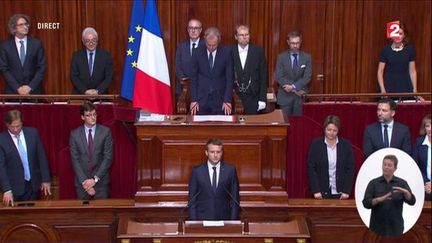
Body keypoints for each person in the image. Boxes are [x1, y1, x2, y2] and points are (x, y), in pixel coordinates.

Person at [0, 110, 51, 206]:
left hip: (33, 185)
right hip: (13, 188)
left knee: (32, 216)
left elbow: (41, 157)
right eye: (12, 127)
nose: (15, 129)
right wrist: (6, 189)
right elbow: (1, 167)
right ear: (6, 124)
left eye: (18, 126)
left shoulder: (33, 133)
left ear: (22, 123)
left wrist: (45, 179)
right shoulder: (1, 140)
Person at [362, 154, 416, 237]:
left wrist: (407, 193)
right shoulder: (373, 183)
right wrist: (379, 199)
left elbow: (412, 201)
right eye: (384, 164)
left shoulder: (402, 183)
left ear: (395, 168)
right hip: (376, 227)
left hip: (395, 227)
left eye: (389, 165)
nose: (386, 167)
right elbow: (366, 203)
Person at [69, 101, 113, 199]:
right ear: (82, 117)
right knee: (84, 214)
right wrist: (85, 182)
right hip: (82, 184)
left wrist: (94, 179)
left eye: (94, 114)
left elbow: (108, 158)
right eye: (88, 115)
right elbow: (74, 160)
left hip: (101, 183)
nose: (92, 118)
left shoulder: (105, 132)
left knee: (102, 212)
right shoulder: (74, 134)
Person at [188, 138, 240, 220]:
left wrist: (233, 222)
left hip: (224, 220)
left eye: (218, 152)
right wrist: (194, 223)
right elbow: (192, 201)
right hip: (202, 220)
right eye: (212, 152)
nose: (215, 155)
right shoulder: (197, 171)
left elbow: (235, 200)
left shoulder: (230, 170)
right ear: (206, 153)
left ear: (222, 153)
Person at [307, 115, 355, 199]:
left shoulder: (346, 145)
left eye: (334, 130)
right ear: (324, 128)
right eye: (329, 130)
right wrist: (316, 190)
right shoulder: (316, 145)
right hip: (321, 192)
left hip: (340, 192)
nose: (331, 133)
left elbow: (350, 169)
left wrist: (346, 191)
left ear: (338, 131)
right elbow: (311, 168)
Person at [189, 27, 234, 115]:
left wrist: (227, 100)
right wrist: (194, 99)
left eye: (214, 45)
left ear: (219, 41)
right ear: (205, 39)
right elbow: (193, 77)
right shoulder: (197, 52)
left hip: (220, 100)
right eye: (209, 45)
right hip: (201, 100)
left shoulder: (227, 53)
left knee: (220, 127)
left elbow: (229, 78)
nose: (211, 48)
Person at [0, 14, 46, 94]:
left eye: (26, 24)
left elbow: (42, 67)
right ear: (14, 28)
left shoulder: (36, 44)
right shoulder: (5, 46)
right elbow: (4, 69)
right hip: (13, 92)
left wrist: (30, 87)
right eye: (21, 25)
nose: (25, 27)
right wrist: (17, 88)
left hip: (34, 92)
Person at [377, 22, 420, 100]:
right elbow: (380, 71)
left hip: (406, 85)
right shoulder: (386, 50)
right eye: (396, 33)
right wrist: (382, 89)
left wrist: (415, 89)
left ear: (404, 35)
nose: (398, 36)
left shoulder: (410, 49)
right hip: (389, 86)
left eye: (400, 34)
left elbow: (412, 71)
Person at [232, 24, 267, 114]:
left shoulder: (258, 51)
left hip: (253, 96)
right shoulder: (229, 51)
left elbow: (263, 76)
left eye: (246, 34)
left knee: (253, 126)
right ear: (236, 37)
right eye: (241, 35)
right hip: (235, 97)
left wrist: (262, 99)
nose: (244, 37)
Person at [275, 31, 312, 115]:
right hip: (285, 97)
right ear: (288, 42)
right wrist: (294, 89)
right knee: (285, 125)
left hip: (300, 98)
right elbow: (279, 76)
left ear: (300, 42)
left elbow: (307, 77)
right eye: (292, 43)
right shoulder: (281, 57)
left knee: (299, 125)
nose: (295, 46)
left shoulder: (307, 57)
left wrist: (293, 87)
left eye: (297, 43)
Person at [70, 27, 113, 95]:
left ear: (97, 40)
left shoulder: (106, 56)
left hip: (101, 97)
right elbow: (74, 76)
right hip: (81, 96)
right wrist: (85, 91)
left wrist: (98, 91)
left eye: (93, 40)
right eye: (87, 41)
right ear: (83, 42)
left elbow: (109, 76)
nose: (91, 43)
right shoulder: (76, 56)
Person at [175, 19, 205, 98]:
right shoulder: (181, 46)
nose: (193, 31)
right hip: (184, 89)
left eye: (196, 28)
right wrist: (185, 80)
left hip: (203, 89)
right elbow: (178, 66)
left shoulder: (207, 46)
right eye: (191, 28)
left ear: (200, 30)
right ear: (188, 30)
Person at [412, 114, 431, 201]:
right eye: (427, 126)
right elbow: (415, 165)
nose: (430, 129)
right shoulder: (419, 142)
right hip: (423, 187)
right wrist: (426, 183)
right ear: (424, 128)